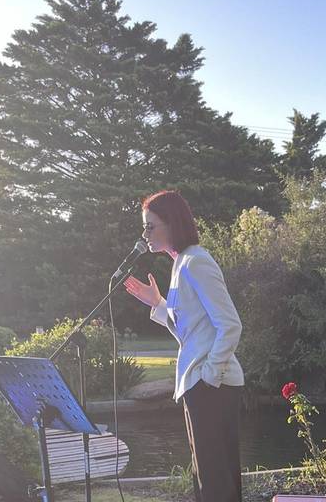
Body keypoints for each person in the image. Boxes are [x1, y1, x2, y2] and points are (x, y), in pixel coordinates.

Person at [123, 190, 244, 502]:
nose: (145, 234)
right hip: (200, 384)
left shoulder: (196, 262)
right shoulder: (181, 265)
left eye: (151, 226)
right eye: (144, 227)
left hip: (210, 386)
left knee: (215, 481)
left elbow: (229, 324)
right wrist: (158, 303)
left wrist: (210, 375)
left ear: (172, 224)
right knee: (207, 477)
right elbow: (191, 331)